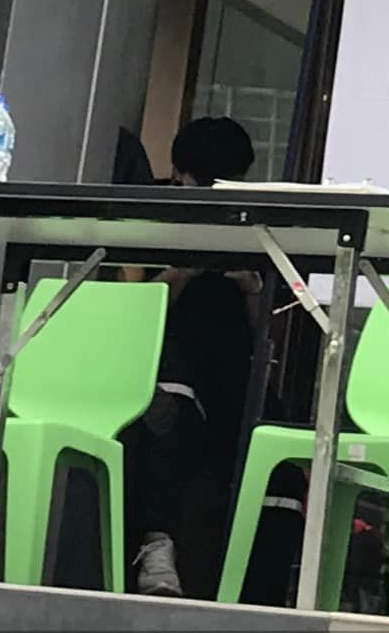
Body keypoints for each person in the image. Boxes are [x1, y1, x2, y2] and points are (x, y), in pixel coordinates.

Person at [121, 117, 263, 597]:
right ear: (178, 174)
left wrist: (249, 285)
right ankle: (156, 546)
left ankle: (258, 589)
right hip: (168, 360)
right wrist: (183, 270)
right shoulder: (155, 214)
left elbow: (268, 329)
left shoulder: (252, 221)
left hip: (229, 367)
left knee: (274, 445)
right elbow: (135, 310)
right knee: (168, 413)